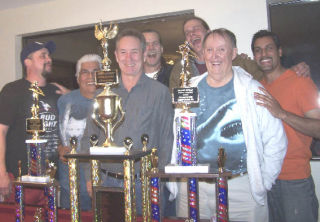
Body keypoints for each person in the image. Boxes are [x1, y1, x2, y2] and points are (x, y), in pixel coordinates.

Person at [171, 28, 287, 221]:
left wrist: (262, 182)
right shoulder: (189, 89)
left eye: (221, 50)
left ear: (233, 53)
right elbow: (178, 136)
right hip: (193, 187)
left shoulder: (252, 89)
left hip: (241, 190)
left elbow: (276, 140)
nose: (214, 56)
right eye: (209, 50)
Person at [81, 29, 174, 214]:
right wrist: (89, 177)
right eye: (123, 52)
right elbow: (89, 137)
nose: (129, 58)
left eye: (134, 52)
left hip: (145, 182)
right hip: (106, 181)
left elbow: (166, 139)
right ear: (115, 55)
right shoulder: (102, 94)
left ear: (143, 54)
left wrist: (158, 179)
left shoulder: (160, 92)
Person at [252, 30, 320, 222]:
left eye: (269, 48)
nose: (263, 54)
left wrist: (281, 113)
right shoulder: (256, 87)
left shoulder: (300, 81)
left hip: (295, 181)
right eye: (258, 50)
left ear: (280, 51)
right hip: (266, 180)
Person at [0, 41, 66, 203]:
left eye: (49, 55)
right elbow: (1, 131)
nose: (48, 59)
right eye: (42, 55)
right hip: (20, 178)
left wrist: (69, 94)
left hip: (51, 178)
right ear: (27, 62)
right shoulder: (13, 90)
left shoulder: (55, 92)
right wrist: (1, 173)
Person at [169, 16, 310, 91]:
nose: (192, 33)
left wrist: (291, 71)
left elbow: (269, 77)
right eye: (187, 32)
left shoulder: (238, 61)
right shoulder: (179, 69)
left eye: (196, 29)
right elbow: (175, 101)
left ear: (208, 32)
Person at [57, 54, 102, 210]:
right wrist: (59, 147)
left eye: (95, 71)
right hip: (69, 183)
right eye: (84, 72)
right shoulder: (64, 101)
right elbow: (58, 133)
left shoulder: (109, 101)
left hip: (100, 182)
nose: (90, 76)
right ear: (77, 77)